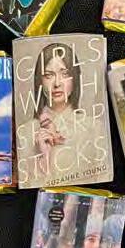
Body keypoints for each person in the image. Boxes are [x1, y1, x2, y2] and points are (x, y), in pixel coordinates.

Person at [32, 43, 82, 175]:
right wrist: (44, 157)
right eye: (48, 75)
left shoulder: (95, 127)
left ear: (75, 78)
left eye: (65, 74)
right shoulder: (25, 132)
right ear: (39, 80)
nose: (57, 83)